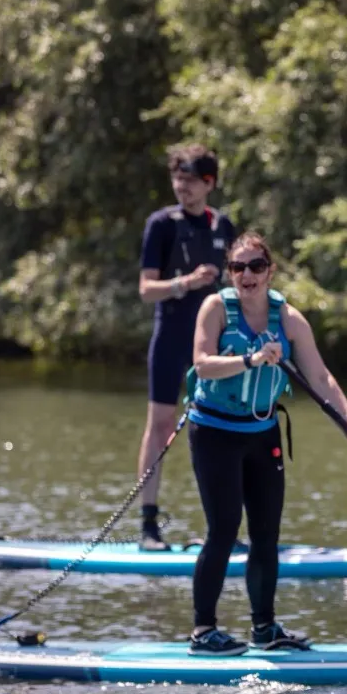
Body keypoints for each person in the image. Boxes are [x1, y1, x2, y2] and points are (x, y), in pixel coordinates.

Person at [184, 232, 347, 655]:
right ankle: (203, 631)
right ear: (230, 272)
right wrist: (250, 359)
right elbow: (202, 365)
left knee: (266, 534)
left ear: (270, 271)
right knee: (223, 530)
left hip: (262, 433)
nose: (246, 275)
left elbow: (321, 378)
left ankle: (264, 628)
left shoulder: (288, 318)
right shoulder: (215, 308)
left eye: (256, 266)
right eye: (238, 267)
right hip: (214, 432)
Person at [135, 144, 237, 550]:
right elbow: (146, 290)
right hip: (172, 337)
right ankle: (148, 527)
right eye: (177, 179)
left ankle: (222, 529)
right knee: (161, 426)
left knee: (218, 429)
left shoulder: (223, 226)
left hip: (212, 343)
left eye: (190, 180)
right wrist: (186, 283)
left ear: (209, 183)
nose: (182, 187)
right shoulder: (161, 224)